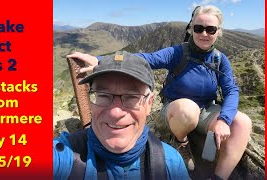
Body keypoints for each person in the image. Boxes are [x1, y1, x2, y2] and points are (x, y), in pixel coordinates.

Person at [66, 5, 252, 180]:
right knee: (188, 109)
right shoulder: (178, 52)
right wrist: (99, 60)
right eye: (198, 28)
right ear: (191, 29)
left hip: (206, 110)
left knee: (242, 122)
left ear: (218, 32)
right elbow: (146, 59)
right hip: (175, 110)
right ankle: (182, 143)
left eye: (210, 29)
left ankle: (219, 176)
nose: (204, 33)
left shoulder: (220, 59)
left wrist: (224, 120)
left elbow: (231, 90)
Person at [54, 51, 189, 179]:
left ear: (149, 103)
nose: (115, 112)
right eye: (103, 95)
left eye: (131, 97)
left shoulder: (170, 164)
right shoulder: (64, 155)